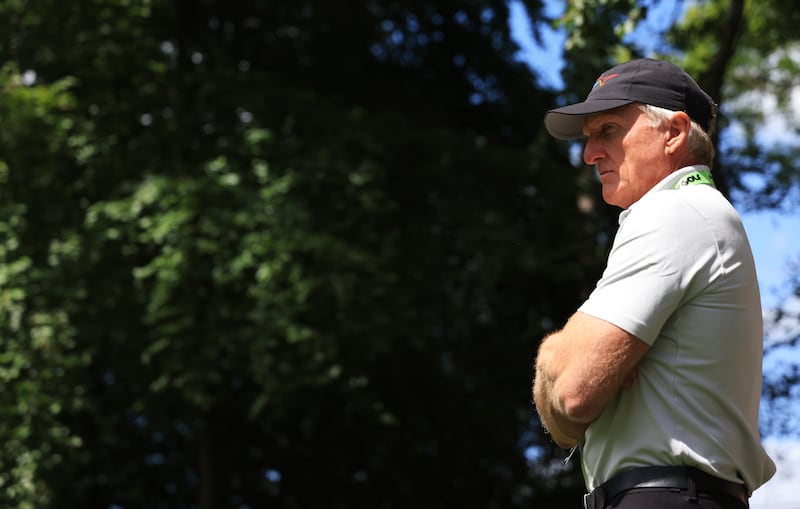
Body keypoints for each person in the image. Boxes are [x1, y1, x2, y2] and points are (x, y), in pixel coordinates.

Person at [532, 58, 776, 509]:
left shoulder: (674, 212)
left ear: (674, 132)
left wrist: (553, 355)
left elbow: (572, 396)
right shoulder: (692, 214)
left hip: (665, 496)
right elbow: (570, 414)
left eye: (608, 129)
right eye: (589, 137)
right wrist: (568, 361)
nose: (589, 154)